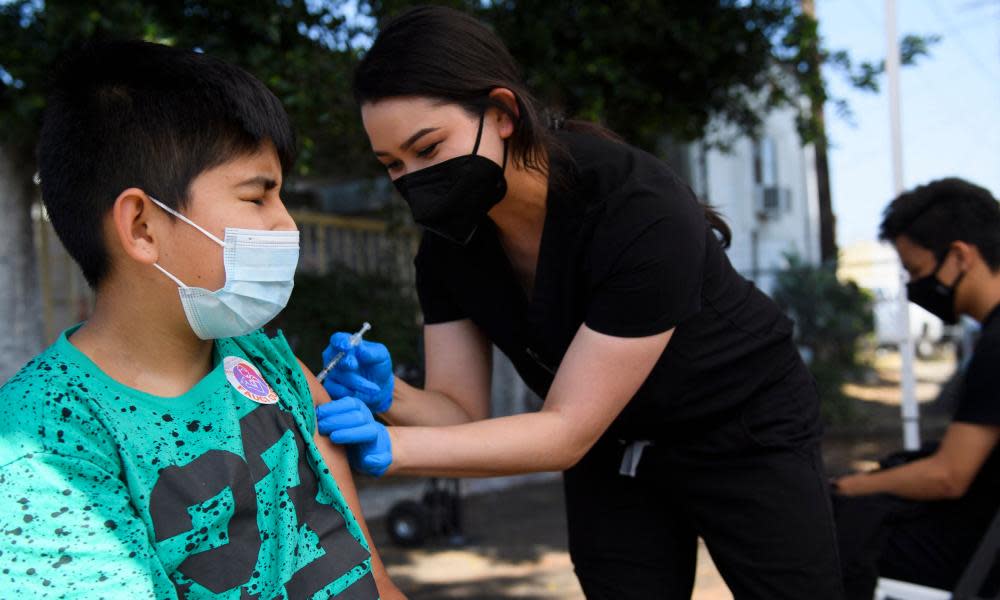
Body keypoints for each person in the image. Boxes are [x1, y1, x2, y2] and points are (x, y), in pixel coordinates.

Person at [315, 6, 843, 599]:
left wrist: (393, 447)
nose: (411, 179)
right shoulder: (448, 249)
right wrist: (392, 399)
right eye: (392, 164)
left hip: (741, 426)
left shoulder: (637, 207)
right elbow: (461, 413)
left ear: (502, 113)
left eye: (428, 148)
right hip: (611, 447)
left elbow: (564, 430)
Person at [0, 41, 402, 599]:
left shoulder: (266, 360)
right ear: (142, 226)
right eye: (258, 197)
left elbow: (374, 581)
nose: (286, 227)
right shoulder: (47, 441)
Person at [832, 178, 1000, 598]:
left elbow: (949, 476)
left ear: (960, 256)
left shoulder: (998, 345)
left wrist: (849, 486)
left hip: (974, 557)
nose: (915, 288)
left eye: (918, 272)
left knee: (821, 537)